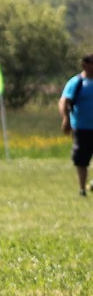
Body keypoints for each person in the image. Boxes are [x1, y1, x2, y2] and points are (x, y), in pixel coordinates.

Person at [59, 53, 93, 198]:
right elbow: (64, 101)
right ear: (84, 65)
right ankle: (82, 189)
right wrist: (66, 118)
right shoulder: (77, 83)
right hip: (81, 127)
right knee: (81, 160)